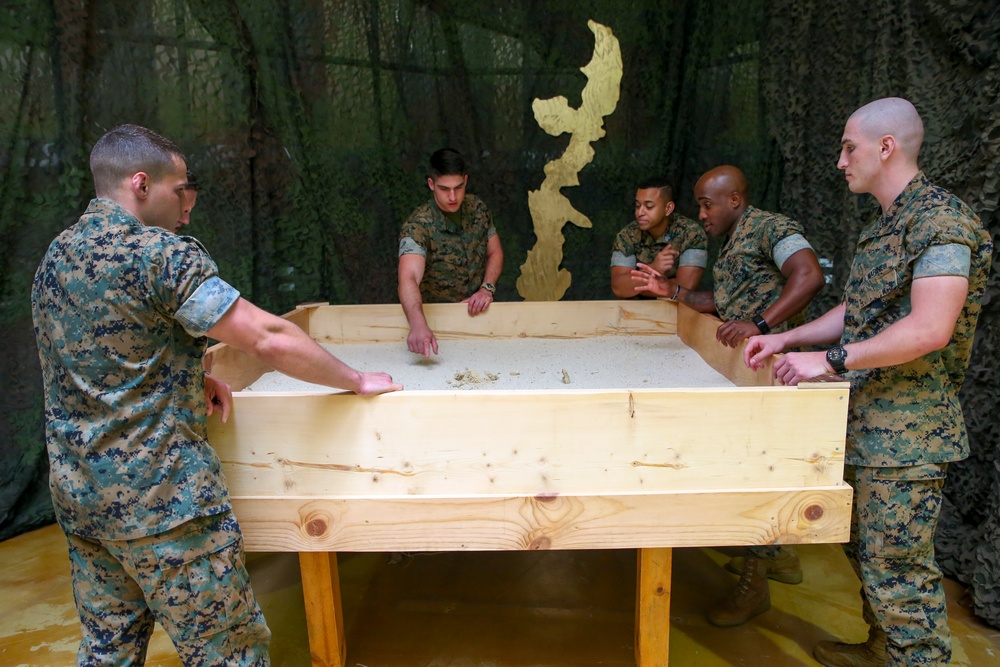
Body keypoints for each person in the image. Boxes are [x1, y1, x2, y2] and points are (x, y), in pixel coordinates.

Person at [30, 124, 402, 665]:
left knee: (107, 653)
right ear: (140, 183)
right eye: (180, 190)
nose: (187, 206)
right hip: (165, 509)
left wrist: (185, 375)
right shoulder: (157, 254)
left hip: (83, 502)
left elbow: (90, 358)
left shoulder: (55, 258)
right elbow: (267, 336)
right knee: (229, 655)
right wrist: (355, 379)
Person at [744, 98, 992, 667]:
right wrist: (788, 339)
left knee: (899, 572)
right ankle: (883, 651)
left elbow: (930, 328)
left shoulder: (939, 221)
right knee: (867, 553)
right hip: (866, 423)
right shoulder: (888, 224)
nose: (840, 160)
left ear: (887, 147)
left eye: (849, 146)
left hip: (909, 433)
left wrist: (829, 361)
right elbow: (857, 310)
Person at [632, 164, 825, 627]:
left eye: (706, 203)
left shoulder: (770, 228)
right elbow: (723, 302)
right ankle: (778, 559)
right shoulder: (736, 241)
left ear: (735, 200)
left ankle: (754, 586)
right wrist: (671, 290)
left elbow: (809, 275)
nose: (701, 213)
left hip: (777, 366)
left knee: (766, 463)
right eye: (699, 203)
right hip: (747, 365)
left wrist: (761, 326)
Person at [398, 148, 503, 357]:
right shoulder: (418, 226)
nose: (453, 197)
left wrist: (487, 288)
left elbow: (495, 252)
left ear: (466, 180)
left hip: (480, 320)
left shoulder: (478, 209)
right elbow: (408, 278)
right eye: (444, 189)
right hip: (436, 327)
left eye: (459, 187)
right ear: (431, 184)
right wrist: (418, 325)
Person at [610, 176, 707, 298]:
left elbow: (685, 289)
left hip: (678, 312)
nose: (640, 213)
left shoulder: (691, 234)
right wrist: (653, 269)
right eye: (637, 205)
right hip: (634, 311)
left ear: (668, 208)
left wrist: (636, 286)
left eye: (649, 206)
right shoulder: (627, 235)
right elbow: (619, 288)